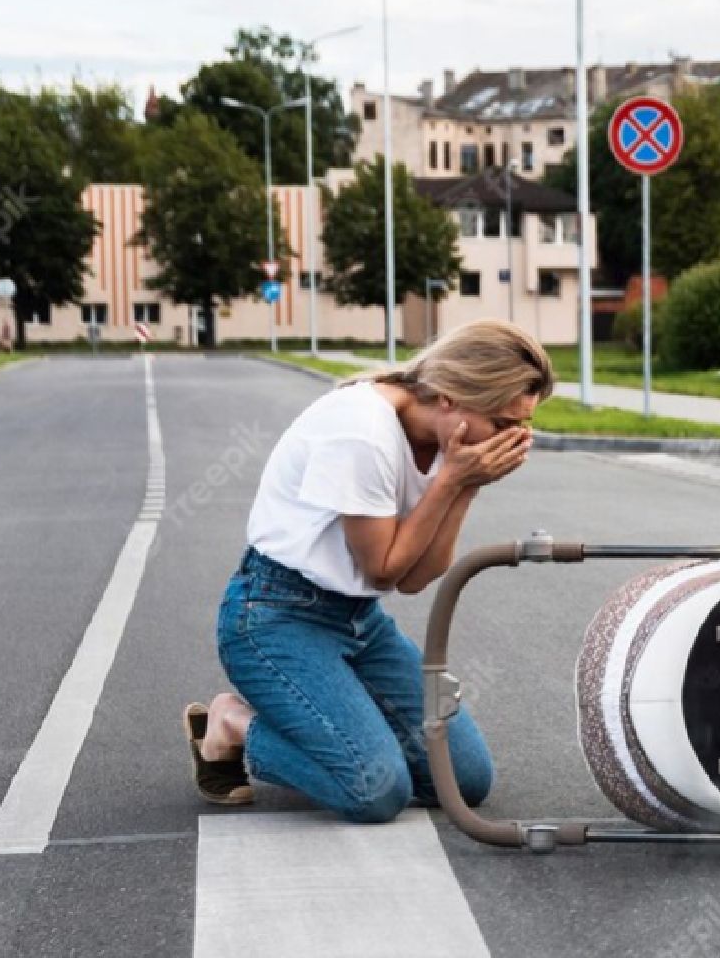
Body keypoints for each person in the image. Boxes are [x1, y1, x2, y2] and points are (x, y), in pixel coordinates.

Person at [183, 320, 550, 821]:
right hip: (275, 617)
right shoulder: (362, 431)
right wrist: (452, 481)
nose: (512, 440)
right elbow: (382, 570)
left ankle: (344, 726)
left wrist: (467, 484)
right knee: (374, 792)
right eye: (504, 424)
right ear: (450, 397)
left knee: (464, 778)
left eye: (523, 426)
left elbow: (417, 578)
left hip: (358, 621)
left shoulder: (446, 450)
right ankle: (232, 724)